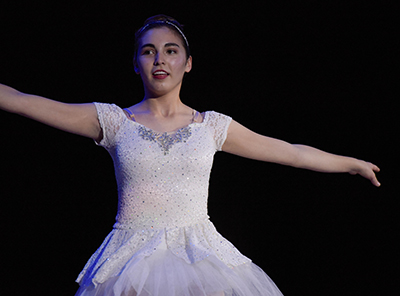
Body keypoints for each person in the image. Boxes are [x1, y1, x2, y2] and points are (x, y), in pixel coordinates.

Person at [0, 14, 380, 296]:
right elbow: (21, 101)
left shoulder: (211, 126)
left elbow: (290, 153)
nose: (160, 60)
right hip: (130, 263)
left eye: (171, 51)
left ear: (188, 62)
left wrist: (351, 163)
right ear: (136, 64)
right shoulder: (114, 121)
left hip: (202, 258)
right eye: (148, 52)